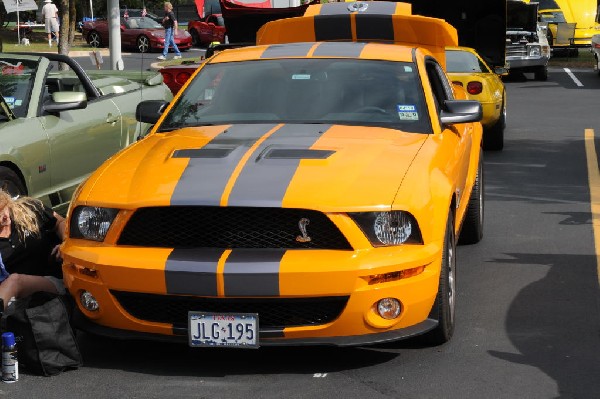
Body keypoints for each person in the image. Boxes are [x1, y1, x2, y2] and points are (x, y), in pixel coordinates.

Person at [0, 190, 66, 310]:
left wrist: (66, 243)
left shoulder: (28, 208)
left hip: (52, 282)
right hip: (13, 299)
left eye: (4, 209)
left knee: (15, 281)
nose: (5, 217)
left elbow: (60, 222)